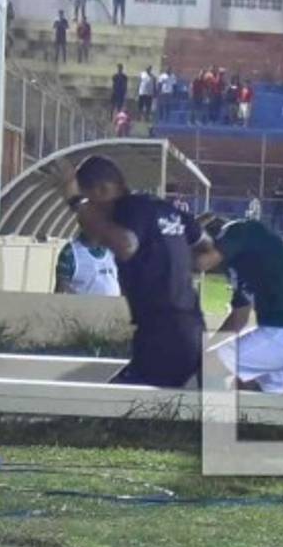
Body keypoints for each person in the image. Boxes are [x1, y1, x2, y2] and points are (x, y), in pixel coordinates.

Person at [54, 155, 210, 387]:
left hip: (163, 334)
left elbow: (125, 245)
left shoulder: (127, 208)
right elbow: (206, 247)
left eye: (90, 205)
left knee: (112, 410)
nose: (86, 221)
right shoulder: (163, 208)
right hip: (193, 328)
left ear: (103, 190)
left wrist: (76, 201)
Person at [195, 216, 283, 393]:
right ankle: (239, 419)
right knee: (249, 390)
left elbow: (202, 262)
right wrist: (207, 349)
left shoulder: (238, 230)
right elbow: (239, 318)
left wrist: (176, 245)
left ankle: (209, 417)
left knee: (209, 367)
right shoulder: (245, 260)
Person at [54, 230, 121, 296]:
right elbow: (62, 287)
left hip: (114, 305)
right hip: (84, 306)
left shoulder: (111, 250)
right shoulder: (71, 252)